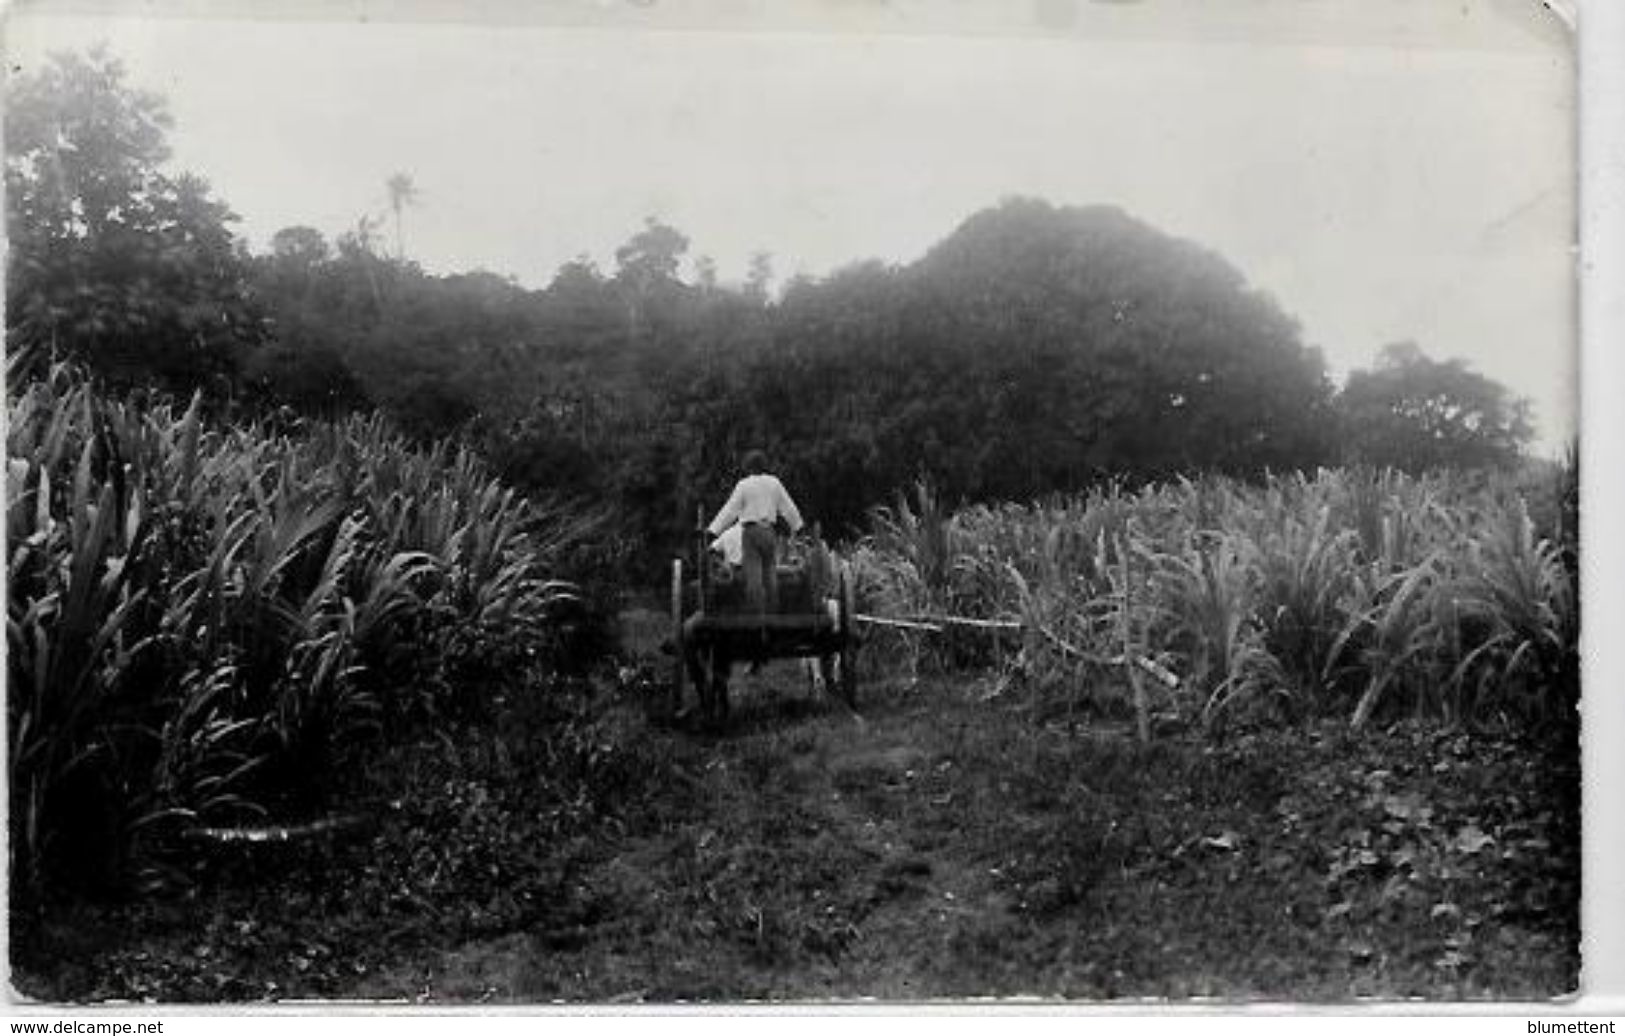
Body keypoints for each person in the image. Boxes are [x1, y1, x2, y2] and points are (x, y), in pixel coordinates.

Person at [706, 450, 804, 620]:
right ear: (764, 466)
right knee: (770, 573)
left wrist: (713, 531)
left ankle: (756, 615)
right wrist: (798, 526)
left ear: (748, 467)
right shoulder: (774, 483)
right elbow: (788, 507)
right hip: (769, 531)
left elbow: (730, 510)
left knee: (753, 574)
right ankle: (773, 612)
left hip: (751, 531)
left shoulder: (744, 485)